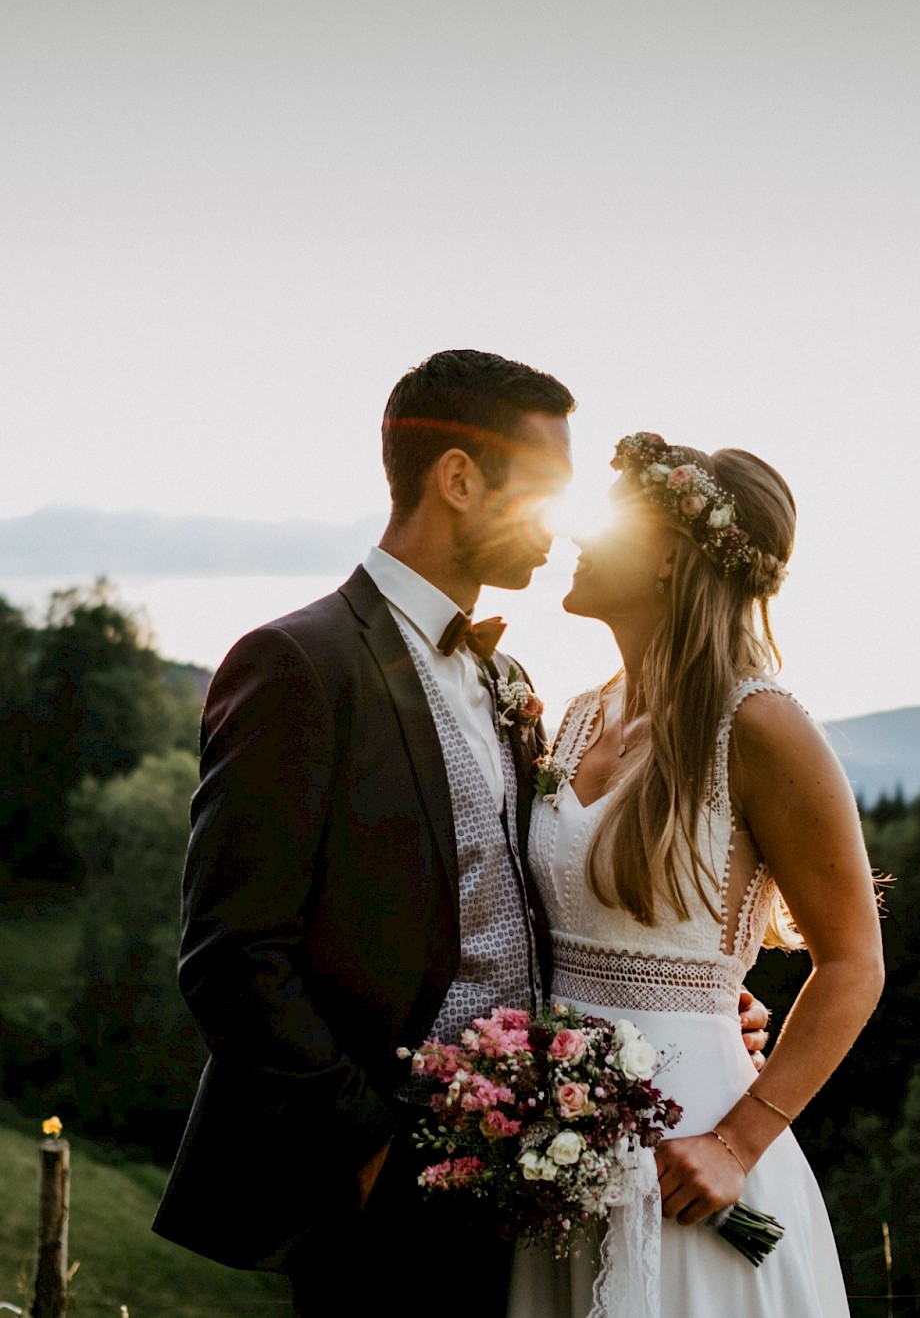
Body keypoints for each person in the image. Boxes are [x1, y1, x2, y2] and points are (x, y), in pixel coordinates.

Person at [151, 358, 770, 1318]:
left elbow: (535, 896)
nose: (562, 523)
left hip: (529, 1190)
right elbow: (232, 956)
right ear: (459, 479)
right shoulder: (297, 664)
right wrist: (371, 1149)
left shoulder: (509, 678)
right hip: (386, 1192)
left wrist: (685, 1010)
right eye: (544, 490)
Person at [508, 433, 884, 1318]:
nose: (576, 538)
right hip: (555, 1151)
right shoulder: (577, 716)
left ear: (671, 556)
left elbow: (853, 963)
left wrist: (737, 1143)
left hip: (689, 1156)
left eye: (610, 523)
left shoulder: (760, 724)